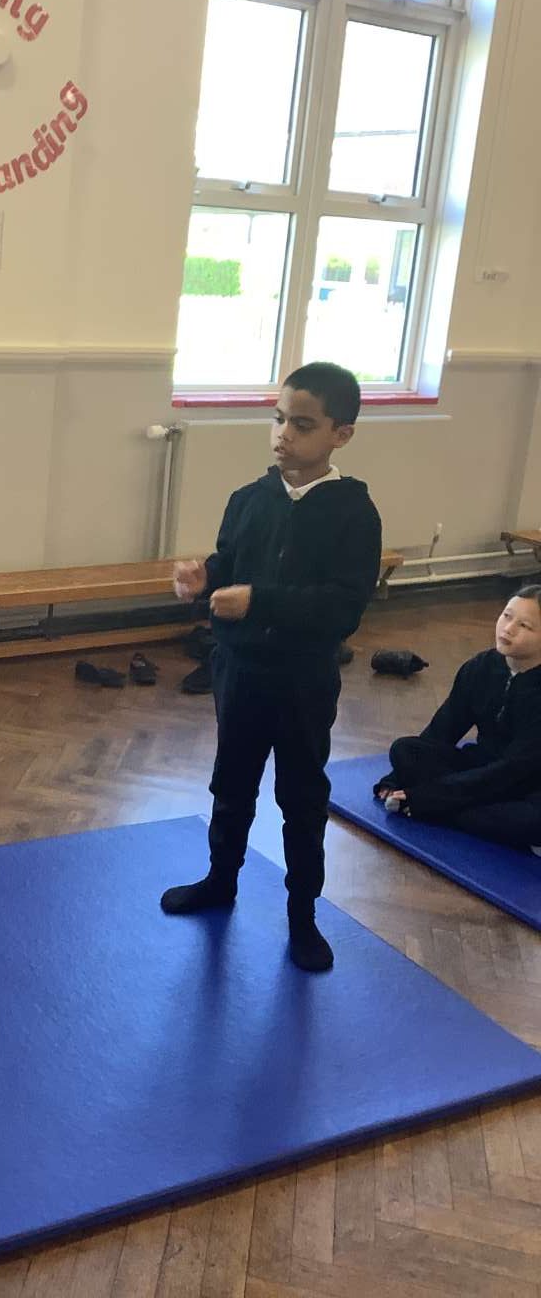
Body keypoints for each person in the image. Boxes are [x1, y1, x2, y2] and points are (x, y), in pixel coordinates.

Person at [160, 362, 382, 971]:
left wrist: (260, 601)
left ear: (341, 434)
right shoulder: (248, 500)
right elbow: (230, 563)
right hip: (240, 671)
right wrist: (204, 577)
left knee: (301, 798)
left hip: (302, 680)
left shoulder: (353, 514)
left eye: (302, 424)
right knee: (231, 784)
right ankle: (220, 880)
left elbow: (342, 608)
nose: (284, 433)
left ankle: (302, 916)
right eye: (279, 419)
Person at [375, 587, 541, 854]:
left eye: (524, 626)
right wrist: (396, 779)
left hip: (528, 785)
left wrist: (430, 798)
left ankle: (445, 812)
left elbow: (513, 770)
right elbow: (442, 730)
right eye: (507, 616)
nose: (508, 629)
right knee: (404, 750)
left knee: (532, 822)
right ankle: (462, 814)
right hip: (481, 767)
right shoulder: (481, 667)